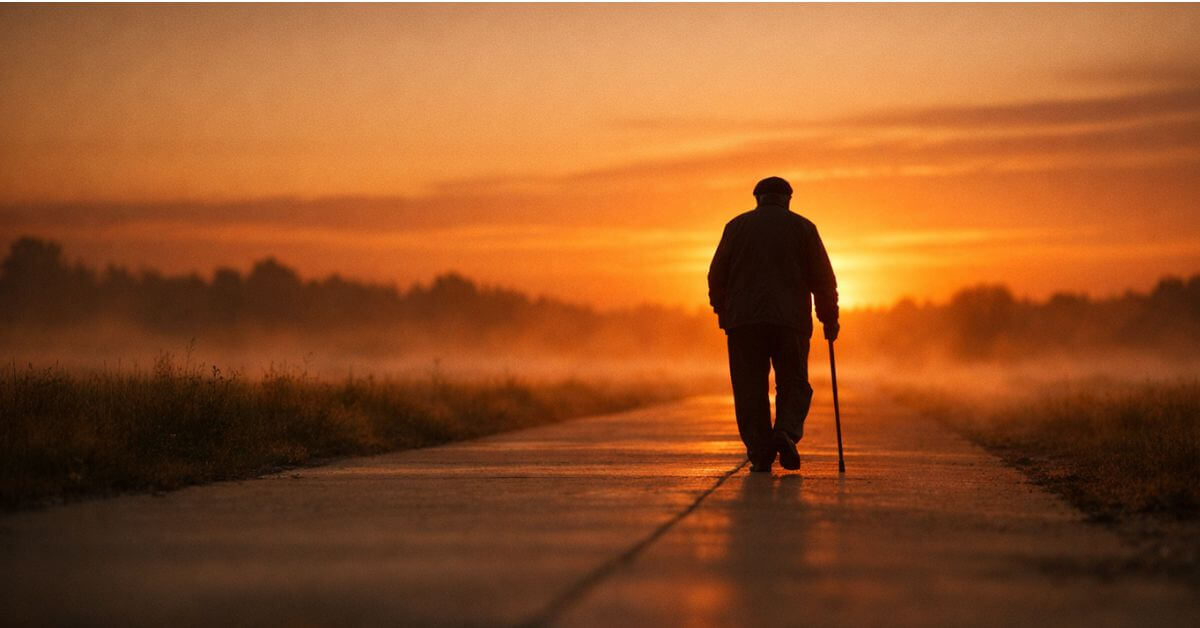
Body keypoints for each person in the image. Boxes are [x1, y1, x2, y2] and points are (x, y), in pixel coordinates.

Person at [707, 176, 839, 472]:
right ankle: (785, 432)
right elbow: (823, 279)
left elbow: (716, 276)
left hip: (744, 323)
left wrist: (724, 313)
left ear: (757, 198)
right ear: (788, 199)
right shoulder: (804, 228)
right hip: (790, 322)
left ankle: (760, 450)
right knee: (793, 381)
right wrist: (829, 318)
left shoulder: (736, 227)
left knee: (749, 387)